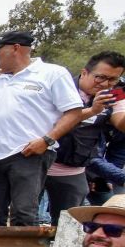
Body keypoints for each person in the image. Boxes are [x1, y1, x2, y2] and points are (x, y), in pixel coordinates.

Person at [0, 31, 83, 226]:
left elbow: (74, 112)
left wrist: (47, 140)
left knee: (23, 212)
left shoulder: (52, 73)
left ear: (15, 48)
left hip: (27, 152)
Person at [43, 51, 124, 224]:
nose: (105, 84)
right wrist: (93, 110)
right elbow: (57, 121)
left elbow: (120, 124)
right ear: (84, 72)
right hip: (39, 162)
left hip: (74, 168)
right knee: (27, 218)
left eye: (113, 80)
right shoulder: (59, 86)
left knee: (68, 224)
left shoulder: (112, 98)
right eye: (100, 77)